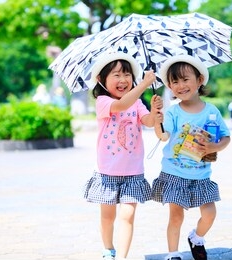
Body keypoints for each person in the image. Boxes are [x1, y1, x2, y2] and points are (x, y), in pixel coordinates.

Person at [83, 52, 163, 260]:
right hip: (107, 173)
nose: (123, 80)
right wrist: (144, 85)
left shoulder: (136, 103)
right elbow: (121, 105)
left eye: (127, 74)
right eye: (116, 75)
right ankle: (108, 249)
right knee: (108, 217)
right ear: (101, 80)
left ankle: (122, 258)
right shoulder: (103, 101)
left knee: (127, 216)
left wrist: (154, 114)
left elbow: (146, 121)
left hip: (133, 172)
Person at [151, 55, 231, 260]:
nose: (180, 85)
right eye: (174, 81)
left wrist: (214, 146)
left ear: (200, 80)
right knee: (176, 216)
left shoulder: (211, 111)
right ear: (169, 85)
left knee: (210, 213)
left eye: (185, 79)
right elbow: (163, 136)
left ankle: (197, 237)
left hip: (201, 174)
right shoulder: (172, 112)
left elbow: (226, 137)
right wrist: (157, 119)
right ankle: (173, 254)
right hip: (174, 173)